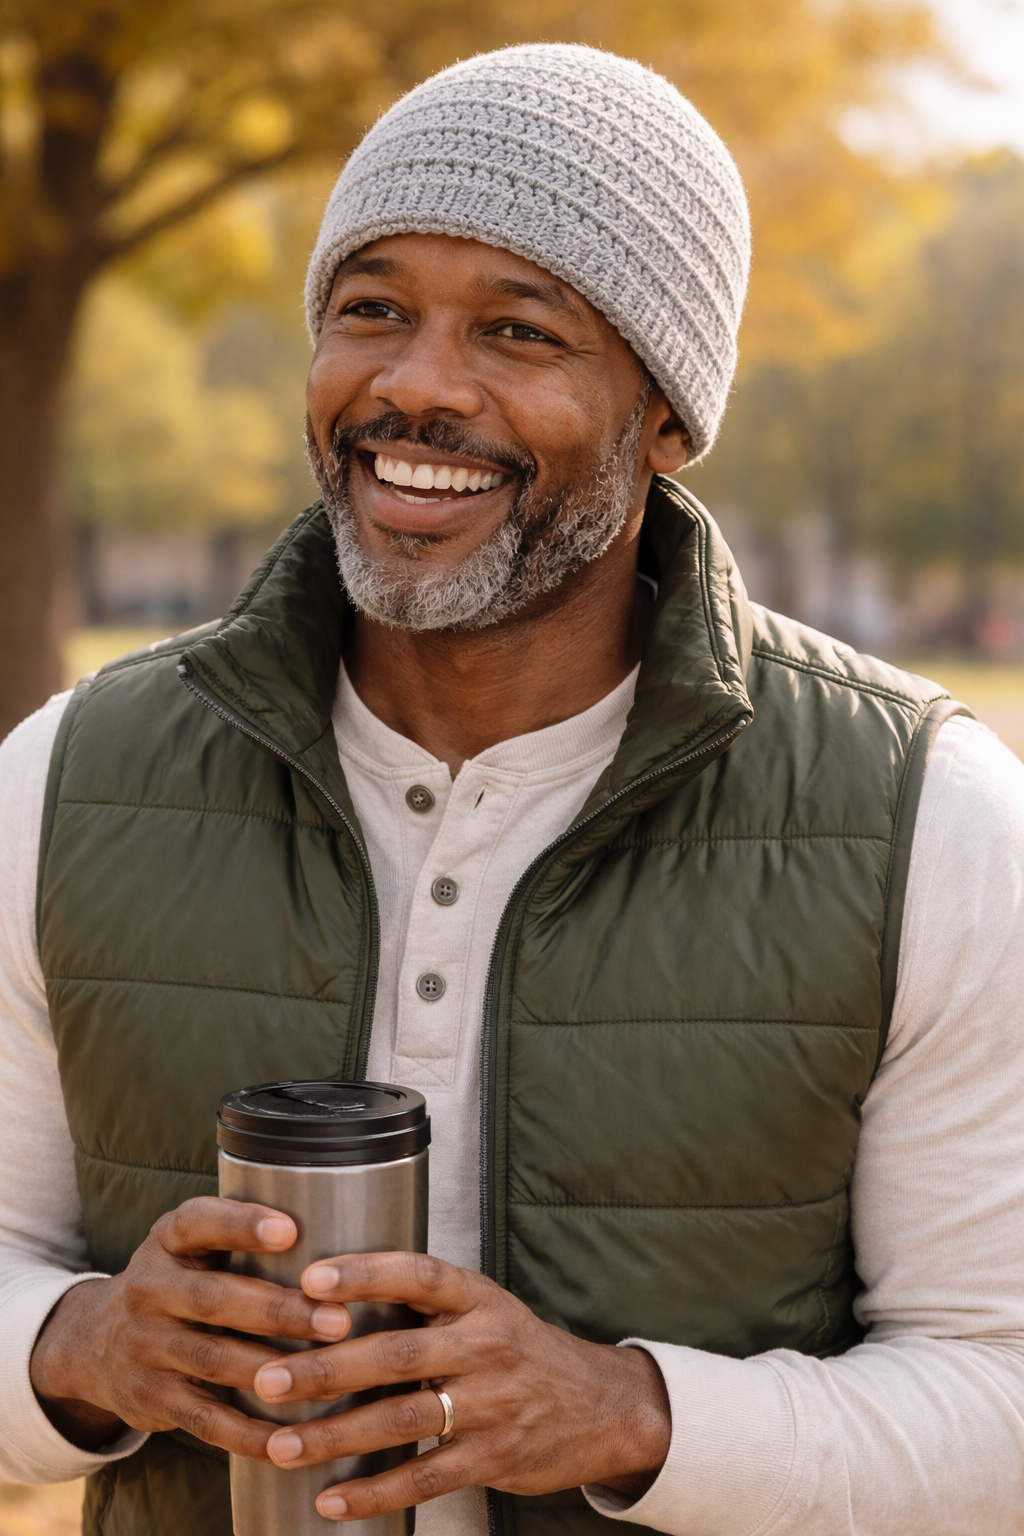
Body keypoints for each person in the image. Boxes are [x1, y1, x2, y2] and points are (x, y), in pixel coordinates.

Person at [1, 42, 1022, 1536]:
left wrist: (633, 1417)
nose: (416, 387)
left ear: (665, 415)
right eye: (372, 311)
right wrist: (79, 1353)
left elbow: (1001, 1401)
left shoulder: (928, 818)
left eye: (519, 332)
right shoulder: (67, 780)